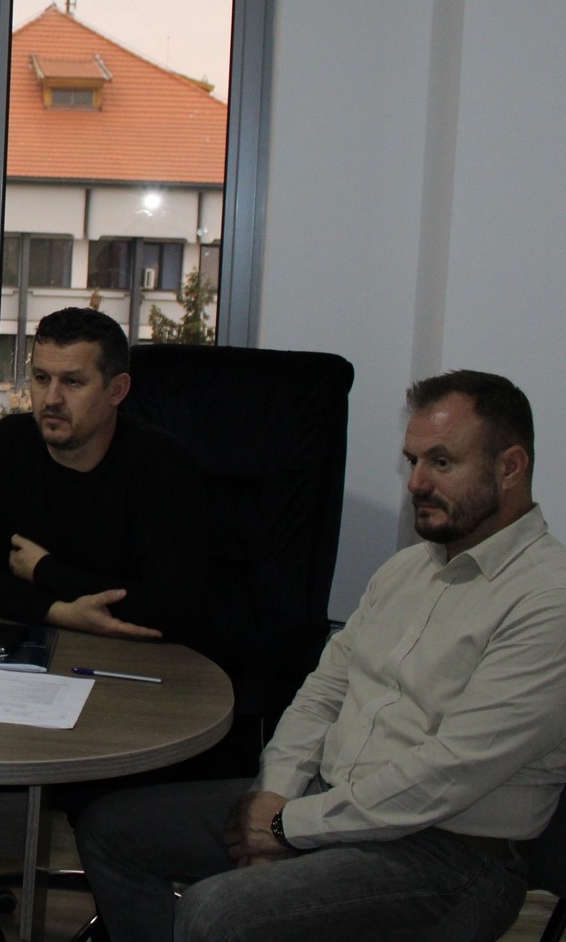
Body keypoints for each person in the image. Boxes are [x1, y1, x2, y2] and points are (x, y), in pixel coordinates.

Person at [75, 370, 566, 942]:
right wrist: (275, 794)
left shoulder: (547, 601)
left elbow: (450, 772)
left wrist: (289, 826)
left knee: (216, 913)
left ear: (510, 467)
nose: (416, 483)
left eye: (441, 462)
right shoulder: (407, 570)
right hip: (329, 801)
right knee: (111, 831)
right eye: (412, 462)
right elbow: (324, 693)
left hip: (451, 854)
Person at [0, 307, 206, 642]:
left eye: (72, 382)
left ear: (117, 390)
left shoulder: (161, 464)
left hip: (131, 654)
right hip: (30, 641)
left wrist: (43, 570)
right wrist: (60, 612)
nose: (51, 399)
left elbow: (169, 606)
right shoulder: (10, 442)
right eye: (41, 378)